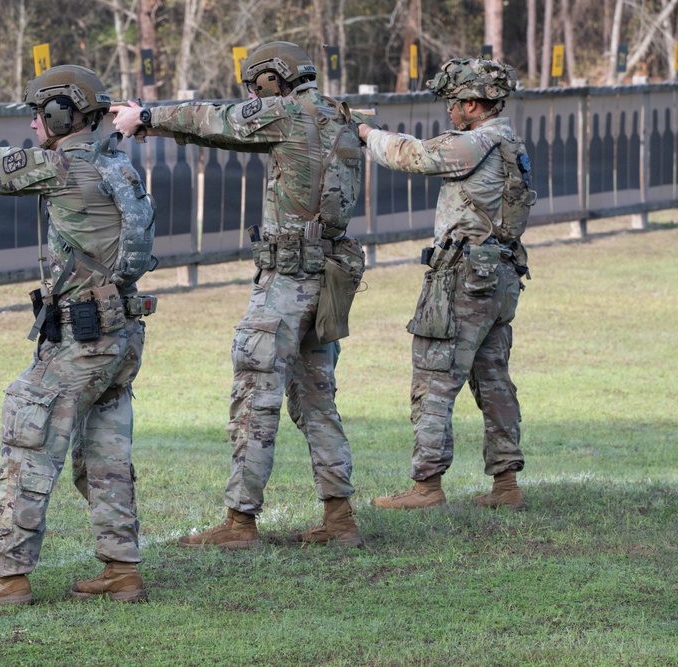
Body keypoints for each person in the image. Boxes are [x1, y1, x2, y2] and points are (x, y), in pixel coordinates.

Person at [0, 65, 156, 604]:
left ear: (61, 114)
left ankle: (9, 575)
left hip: (83, 336)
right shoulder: (114, 161)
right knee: (107, 454)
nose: (36, 124)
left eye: (41, 113)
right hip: (121, 333)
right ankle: (121, 569)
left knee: (27, 439)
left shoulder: (66, 166)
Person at [113, 41, 368, 548]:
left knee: (255, 395)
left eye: (256, 85)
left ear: (274, 80)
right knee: (317, 400)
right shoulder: (334, 114)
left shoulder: (290, 112)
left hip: (288, 278)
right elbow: (232, 134)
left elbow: (220, 119)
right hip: (327, 276)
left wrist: (146, 114)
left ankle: (240, 522)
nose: (252, 94)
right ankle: (339, 519)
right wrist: (154, 123)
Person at [356, 58, 533, 511]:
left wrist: (367, 135)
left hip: (463, 279)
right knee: (493, 378)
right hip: (500, 276)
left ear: (473, 104)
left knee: (433, 378)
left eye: (454, 104)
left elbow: (415, 155)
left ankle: (427, 487)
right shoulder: (509, 141)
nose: (449, 113)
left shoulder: (477, 142)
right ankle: (506, 486)